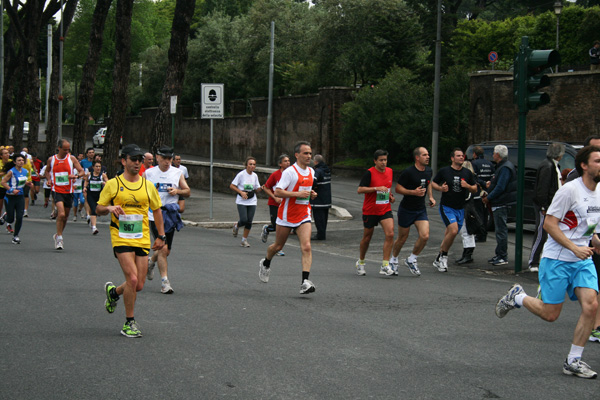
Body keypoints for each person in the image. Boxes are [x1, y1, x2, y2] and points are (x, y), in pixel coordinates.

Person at [495, 145, 600, 379]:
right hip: (557, 259)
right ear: (584, 165)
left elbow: (590, 227)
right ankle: (518, 297)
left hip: (582, 260)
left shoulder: (599, 192)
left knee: (591, 306)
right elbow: (549, 224)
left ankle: (573, 361)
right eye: (598, 161)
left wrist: (594, 243)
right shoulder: (569, 191)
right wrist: (574, 247)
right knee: (550, 314)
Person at [98, 144, 166, 338]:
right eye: (133, 159)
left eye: (139, 160)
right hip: (120, 235)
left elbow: (157, 210)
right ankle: (129, 322)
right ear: (124, 160)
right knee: (133, 279)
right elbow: (99, 208)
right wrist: (110, 209)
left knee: (139, 285)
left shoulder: (147, 186)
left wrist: (161, 236)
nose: (137, 163)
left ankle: (113, 293)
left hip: (141, 237)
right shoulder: (113, 184)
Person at [258, 141, 317, 294]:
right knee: (278, 247)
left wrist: (311, 194)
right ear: (297, 155)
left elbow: (306, 191)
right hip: (286, 215)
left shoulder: (311, 171)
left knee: (307, 246)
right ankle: (265, 262)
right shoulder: (289, 172)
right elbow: (278, 192)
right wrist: (298, 194)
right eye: (305, 153)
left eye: (310, 153)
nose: (309, 156)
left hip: (304, 213)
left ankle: (305, 282)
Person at [566, 136, 600, 344]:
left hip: (591, 238)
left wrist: (593, 237)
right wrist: (586, 240)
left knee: (593, 296)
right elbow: (551, 223)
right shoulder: (573, 183)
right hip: (568, 248)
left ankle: (596, 328)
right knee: (550, 312)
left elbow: (591, 217)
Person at [144, 146, 190, 294]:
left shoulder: (177, 173)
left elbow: (187, 191)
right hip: (154, 214)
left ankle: (151, 262)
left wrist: (177, 191)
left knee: (166, 250)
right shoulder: (149, 173)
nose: (167, 162)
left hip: (170, 215)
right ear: (157, 158)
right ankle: (165, 282)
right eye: (164, 158)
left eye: (170, 159)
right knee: (163, 248)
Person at [389, 147, 435, 276]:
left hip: (420, 210)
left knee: (425, 236)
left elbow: (429, 183)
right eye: (425, 155)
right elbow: (398, 189)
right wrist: (413, 192)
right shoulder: (408, 172)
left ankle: (412, 259)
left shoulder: (429, 171)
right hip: (406, 209)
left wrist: (430, 196)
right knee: (402, 238)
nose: (428, 157)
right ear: (417, 157)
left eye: (428, 155)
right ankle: (394, 259)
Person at [431, 148, 477, 272]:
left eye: (462, 156)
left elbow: (475, 188)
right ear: (452, 158)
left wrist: (467, 186)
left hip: (460, 208)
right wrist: (441, 188)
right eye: (458, 156)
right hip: (447, 207)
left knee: (450, 234)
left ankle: (438, 258)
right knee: (453, 230)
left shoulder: (467, 173)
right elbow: (433, 183)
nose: (461, 158)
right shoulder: (445, 171)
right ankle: (444, 258)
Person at [355, 149, 396, 276]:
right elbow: (360, 190)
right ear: (375, 161)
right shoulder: (369, 173)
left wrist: (390, 196)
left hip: (385, 209)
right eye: (381, 160)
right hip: (370, 210)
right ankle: (361, 262)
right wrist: (375, 188)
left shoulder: (390, 171)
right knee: (367, 238)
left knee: (390, 234)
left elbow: (387, 188)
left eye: (385, 160)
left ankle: (385, 264)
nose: (384, 163)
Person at [528, 143, 565, 273]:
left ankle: (539, 259)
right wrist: (544, 205)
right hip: (545, 206)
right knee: (541, 233)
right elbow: (542, 188)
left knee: (545, 234)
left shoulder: (550, 165)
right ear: (559, 154)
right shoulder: (548, 166)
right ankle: (533, 261)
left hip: (549, 205)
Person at [45, 139, 86, 250]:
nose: (67, 152)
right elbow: (47, 171)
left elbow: (82, 171)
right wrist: (49, 180)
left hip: (69, 191)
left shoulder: (71, 158)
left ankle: (58, 234)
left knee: (66, 216)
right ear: (59, 148)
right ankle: (60, 239)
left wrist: (76, 176)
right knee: (61, 214)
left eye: (68, 149)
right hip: (56, 190)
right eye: (65, 149)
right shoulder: (52, 159)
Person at [482, 145, 517, 266]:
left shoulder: (504, 168)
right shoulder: (504, 166)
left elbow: (501, 187)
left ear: (498, 154)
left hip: (501, 202)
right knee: (499, 230)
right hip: (501, 201)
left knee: (501, 230)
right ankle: (499, 254)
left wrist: (488, 197)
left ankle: (502, 256)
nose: (492, 155)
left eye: (494, 153)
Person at [261, 154, 290, 256]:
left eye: (288, 161)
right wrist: (275, 197)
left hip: (286, 204)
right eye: (285, 161)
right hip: (274, 203)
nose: (288, 163)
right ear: (280, 164)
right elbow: (265, 187)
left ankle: (278, 248)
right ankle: (267, 229)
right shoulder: (275, 175)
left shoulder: (291, 174)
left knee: (282, 227)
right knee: (276, 225)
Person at [230, 156, 262, 247]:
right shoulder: (241, 174)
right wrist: (241, 192)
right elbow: (232, 186)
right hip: (242, 201)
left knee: (249, 221)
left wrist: (261, 188)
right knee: (244, 220)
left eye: (254, 164)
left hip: (252, 200)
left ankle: (244, 240)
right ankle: (237, 225)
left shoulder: (255, 175)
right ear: (246, 165)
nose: (252, 166)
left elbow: (256, 188)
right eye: (250, 164)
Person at [1, 154, 32, 243]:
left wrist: (28, 183)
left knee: (19, 217)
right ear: (14, 162)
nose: (21, 162)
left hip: (20, 197)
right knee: (11, 219)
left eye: (22, 160)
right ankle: (6, 216)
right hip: (10, 197)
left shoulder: (25, 171)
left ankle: (16, 236)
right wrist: (12, 190)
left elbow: (22, 180)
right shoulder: (11, 171)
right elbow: (3, 182)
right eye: (19, 160)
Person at [470, 146, 494, 242]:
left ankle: (480, 234)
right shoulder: (490, 164)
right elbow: (493, 177)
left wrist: (483, 183)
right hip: (487, 193)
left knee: (478, 214)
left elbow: (473, 178)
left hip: (478, 193)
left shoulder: (474, 163)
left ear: (475, 154)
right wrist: (488, 184)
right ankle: (483, 234)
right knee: (485, 215)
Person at [311, 154, 332, 241]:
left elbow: (313, 181)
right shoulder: (327, 170)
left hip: (318, 200)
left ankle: (320, 235)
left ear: (316, 162)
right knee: (324, 218)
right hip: (326, 199)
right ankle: (322, 233)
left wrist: (313, 188)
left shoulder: (318, 171)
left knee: (318, 218)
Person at [85, 160, 108, 235]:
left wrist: (105, 183)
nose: (98, 168)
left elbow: (108, 183)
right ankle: (94, 227)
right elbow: (86, 181)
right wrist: (84, 187)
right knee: (94, 209)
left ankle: (91, 222)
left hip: (99, 195)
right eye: (96, 166)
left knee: (97, 210)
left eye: (99, 166)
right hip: (90, 195)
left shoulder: (103, 175)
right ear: (93, 167)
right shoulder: (89, 174)